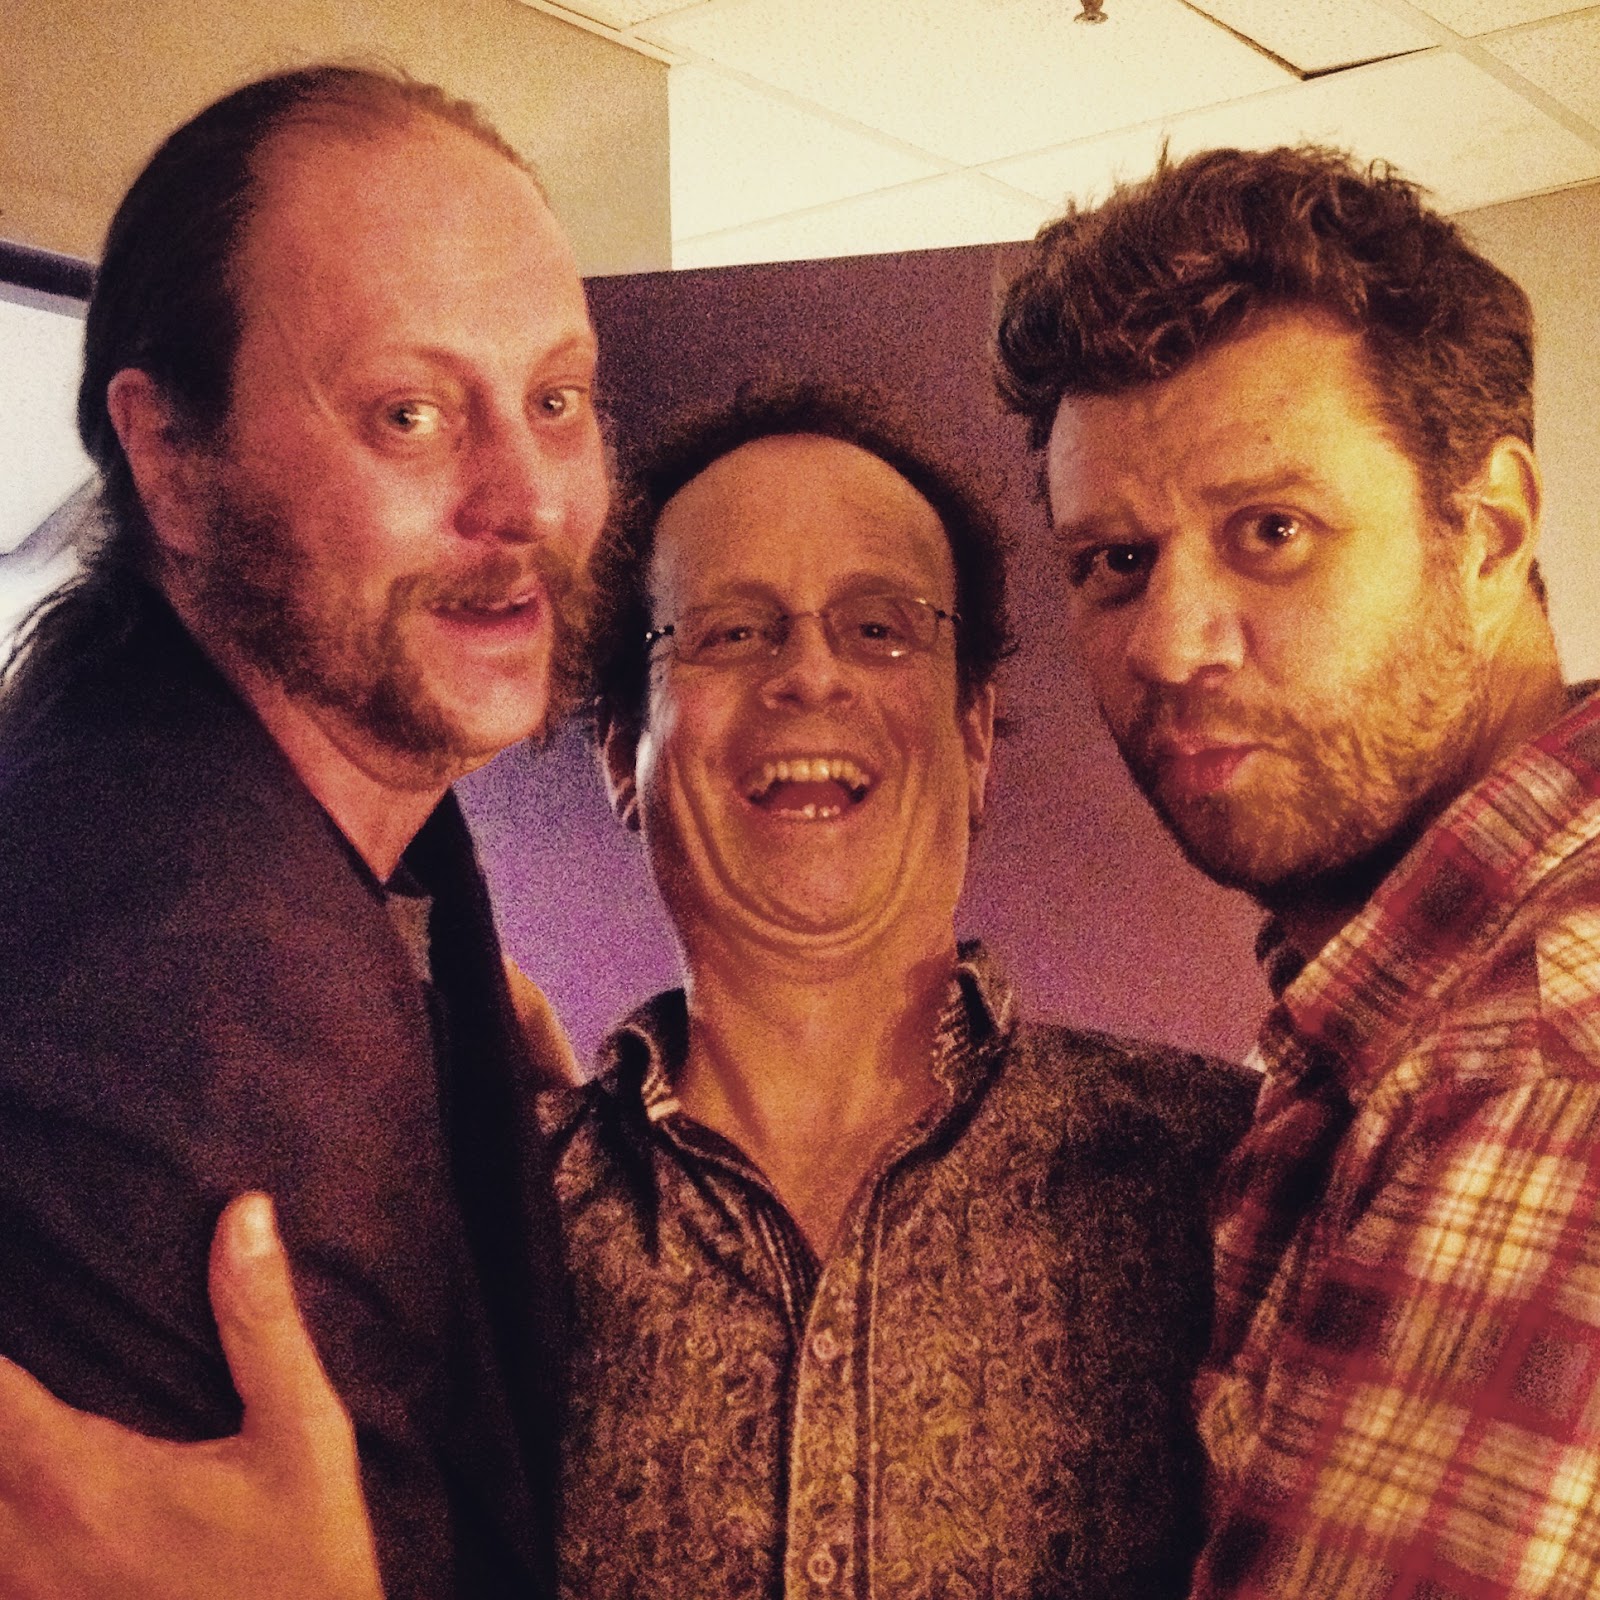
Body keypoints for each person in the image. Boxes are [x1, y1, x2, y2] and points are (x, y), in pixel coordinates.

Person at [0, 383, 1257, 1599]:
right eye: (729, 631)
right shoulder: (471, 1236)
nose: (808, 675)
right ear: (620, 751)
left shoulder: (1231, 1183)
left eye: (880, 627)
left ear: (974, 734)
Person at [0, 64, 608, 1599]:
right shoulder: (200, 995)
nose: (527, 498)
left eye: (557, 401)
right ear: (170, 458)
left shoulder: (214, 802)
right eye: (411, 414)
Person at [995, 144, 1600, 1597]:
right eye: (1114, 563)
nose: (1170, 643)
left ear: (1490, 533)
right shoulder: (1372, 1028)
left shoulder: (1531, 1058)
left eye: (1273, 532)